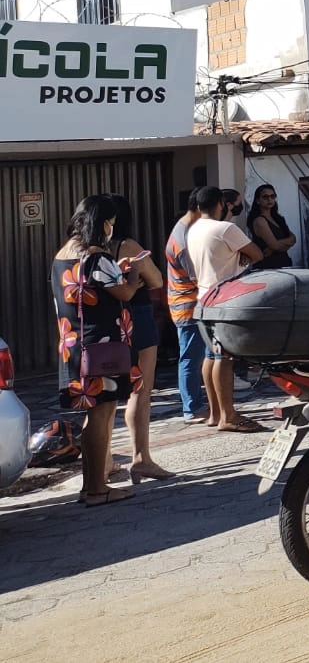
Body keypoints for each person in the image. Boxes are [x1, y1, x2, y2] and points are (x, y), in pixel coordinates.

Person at [52, 195, 148, 504]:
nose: (111, 228)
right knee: (102, 414)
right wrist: (132, 276)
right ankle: (96, 489)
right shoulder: (96, 257)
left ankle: (90, 486)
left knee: (92, 414)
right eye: (109, 222)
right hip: (103, 347)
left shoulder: (63, 254)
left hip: (75, 345)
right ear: (100, 222)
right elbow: (124, 292)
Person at [104, 192, 171, 480]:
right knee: (140, 391)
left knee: (104, 395)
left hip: (107, 318)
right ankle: (141, 457)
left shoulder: (90, 248)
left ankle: (104, 460)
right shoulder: (127, 244)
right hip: (137, 314)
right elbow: (156, 279)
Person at [188, 186, 267, 432]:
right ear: (221, 204)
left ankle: (215, 412)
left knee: (211, 356)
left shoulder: (193, 230)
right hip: (224, 297)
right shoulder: (226, 229)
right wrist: (242, 258)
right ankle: (228, 415)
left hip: (203, 297)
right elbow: (256, 254)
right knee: (224, 357)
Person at [165, 190, 209, 425]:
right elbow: (196, 276)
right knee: (191, 358)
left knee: (195, 356)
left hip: (186, 304)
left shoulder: (182, 230)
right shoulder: (183, 240)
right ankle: (192, 407)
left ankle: (196, 404)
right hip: (188, 306)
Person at [247, 184, 296, 267]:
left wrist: (272, 249)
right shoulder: (260, 221)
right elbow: (275, 245)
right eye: (265, 197)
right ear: (258, 200)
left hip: (284, 263)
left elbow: (293, 238)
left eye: (272, 196)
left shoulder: (278, 219)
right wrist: (280, 245)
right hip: (269, 266)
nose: (269, 199)